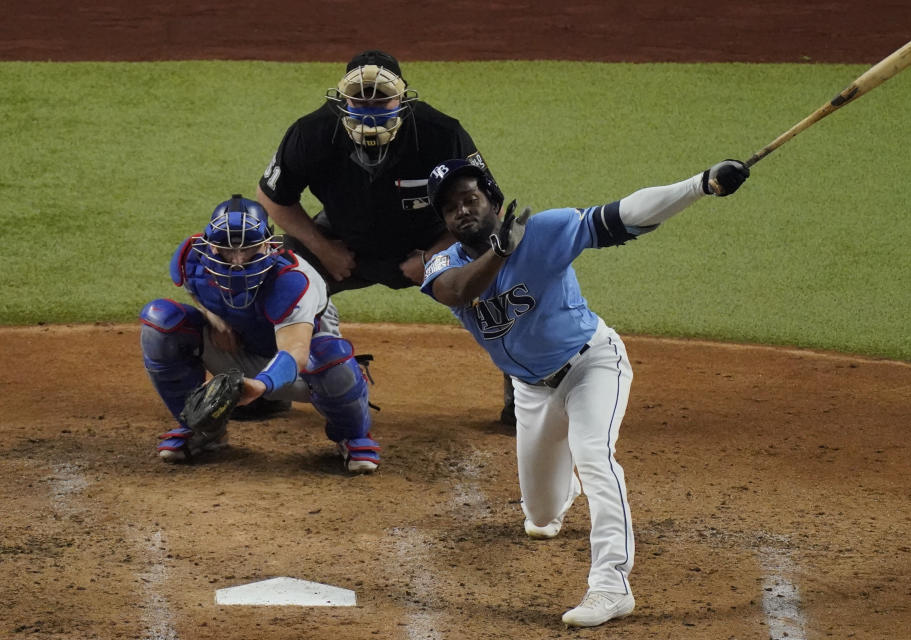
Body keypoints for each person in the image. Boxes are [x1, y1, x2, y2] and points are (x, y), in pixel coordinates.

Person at [420, 157, 750, 627]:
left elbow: (624, 215)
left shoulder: (545, 232)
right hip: (530, 391)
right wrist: (499, 250)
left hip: (591, 365)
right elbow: (457, 292)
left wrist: (702, 185)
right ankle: (561, 490)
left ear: (493, 199)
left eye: (470, 198)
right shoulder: (443, 265)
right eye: (450, 208)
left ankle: (611, 586)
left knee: (594, 454)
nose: (461, 211)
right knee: (540, 516)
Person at [256, 49, 517, 427]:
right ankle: (271, 390)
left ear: (402, 98)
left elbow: (487, 204)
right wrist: (324, 249)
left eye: (382, 98)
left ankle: (521, 396)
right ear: (342, 99)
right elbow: (272, 198)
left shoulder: (439, 133)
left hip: (430, 240)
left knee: (498, 264)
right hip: (344, 240)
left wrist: (434, 254)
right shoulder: (311, 132)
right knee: (274, 276)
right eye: (359, 98)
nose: (370, 107)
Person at [138, 194, 380, 472]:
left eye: (248, 248)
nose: (238, 260)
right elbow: (197, 293)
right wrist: (214, 320)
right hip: (240, 352)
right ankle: (202, 429)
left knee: (332, 358)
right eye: (227, 249)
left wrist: (261, 386)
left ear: (268, 245)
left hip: (304, 372)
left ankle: (353, 434)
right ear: (210, 246)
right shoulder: (193, 259)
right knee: (161, 322)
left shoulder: (293, 279)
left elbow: (296, 353)